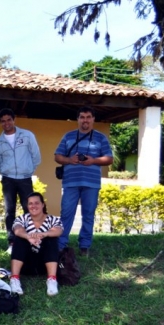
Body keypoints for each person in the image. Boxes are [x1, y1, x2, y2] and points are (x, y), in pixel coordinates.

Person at [54, 106, 113, 255]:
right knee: (66, 213)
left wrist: (93, 160)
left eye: (88, 117)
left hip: (91, 183)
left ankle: (84, 246)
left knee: (88, 214)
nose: (85, 120)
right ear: (78, 119)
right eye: (82, 117)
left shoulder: (101, 138)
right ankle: (61, 245)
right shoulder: (68, 136)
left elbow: (109, 159)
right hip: (70, 183)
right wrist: (69, 159)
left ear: (93, 119)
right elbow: (57, 156)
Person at [0, 108, 41, 252]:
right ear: (0, 123)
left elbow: (36, 156)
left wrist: (28, 170)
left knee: (30, 209)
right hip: (8, 180)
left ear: (14, 120)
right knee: (9, 211)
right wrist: (7, 172)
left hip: (25, 178)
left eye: (9, 120)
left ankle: (32, 239)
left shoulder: (27, 136)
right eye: (3, 121)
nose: (6, 123)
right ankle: (12, 242)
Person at [9, 192, 63, 297]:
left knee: (51, 239)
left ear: (43, 204)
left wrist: (43, 234)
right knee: (20, 238)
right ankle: (14, 279)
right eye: (30, 204)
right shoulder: (21, 218)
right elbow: (17, 229)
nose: (33, 206)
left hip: (45, 263)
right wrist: (28, 237)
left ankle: (52, 280)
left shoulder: (54, 219)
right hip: (26, 263)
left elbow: (58, 230)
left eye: (37, 203)